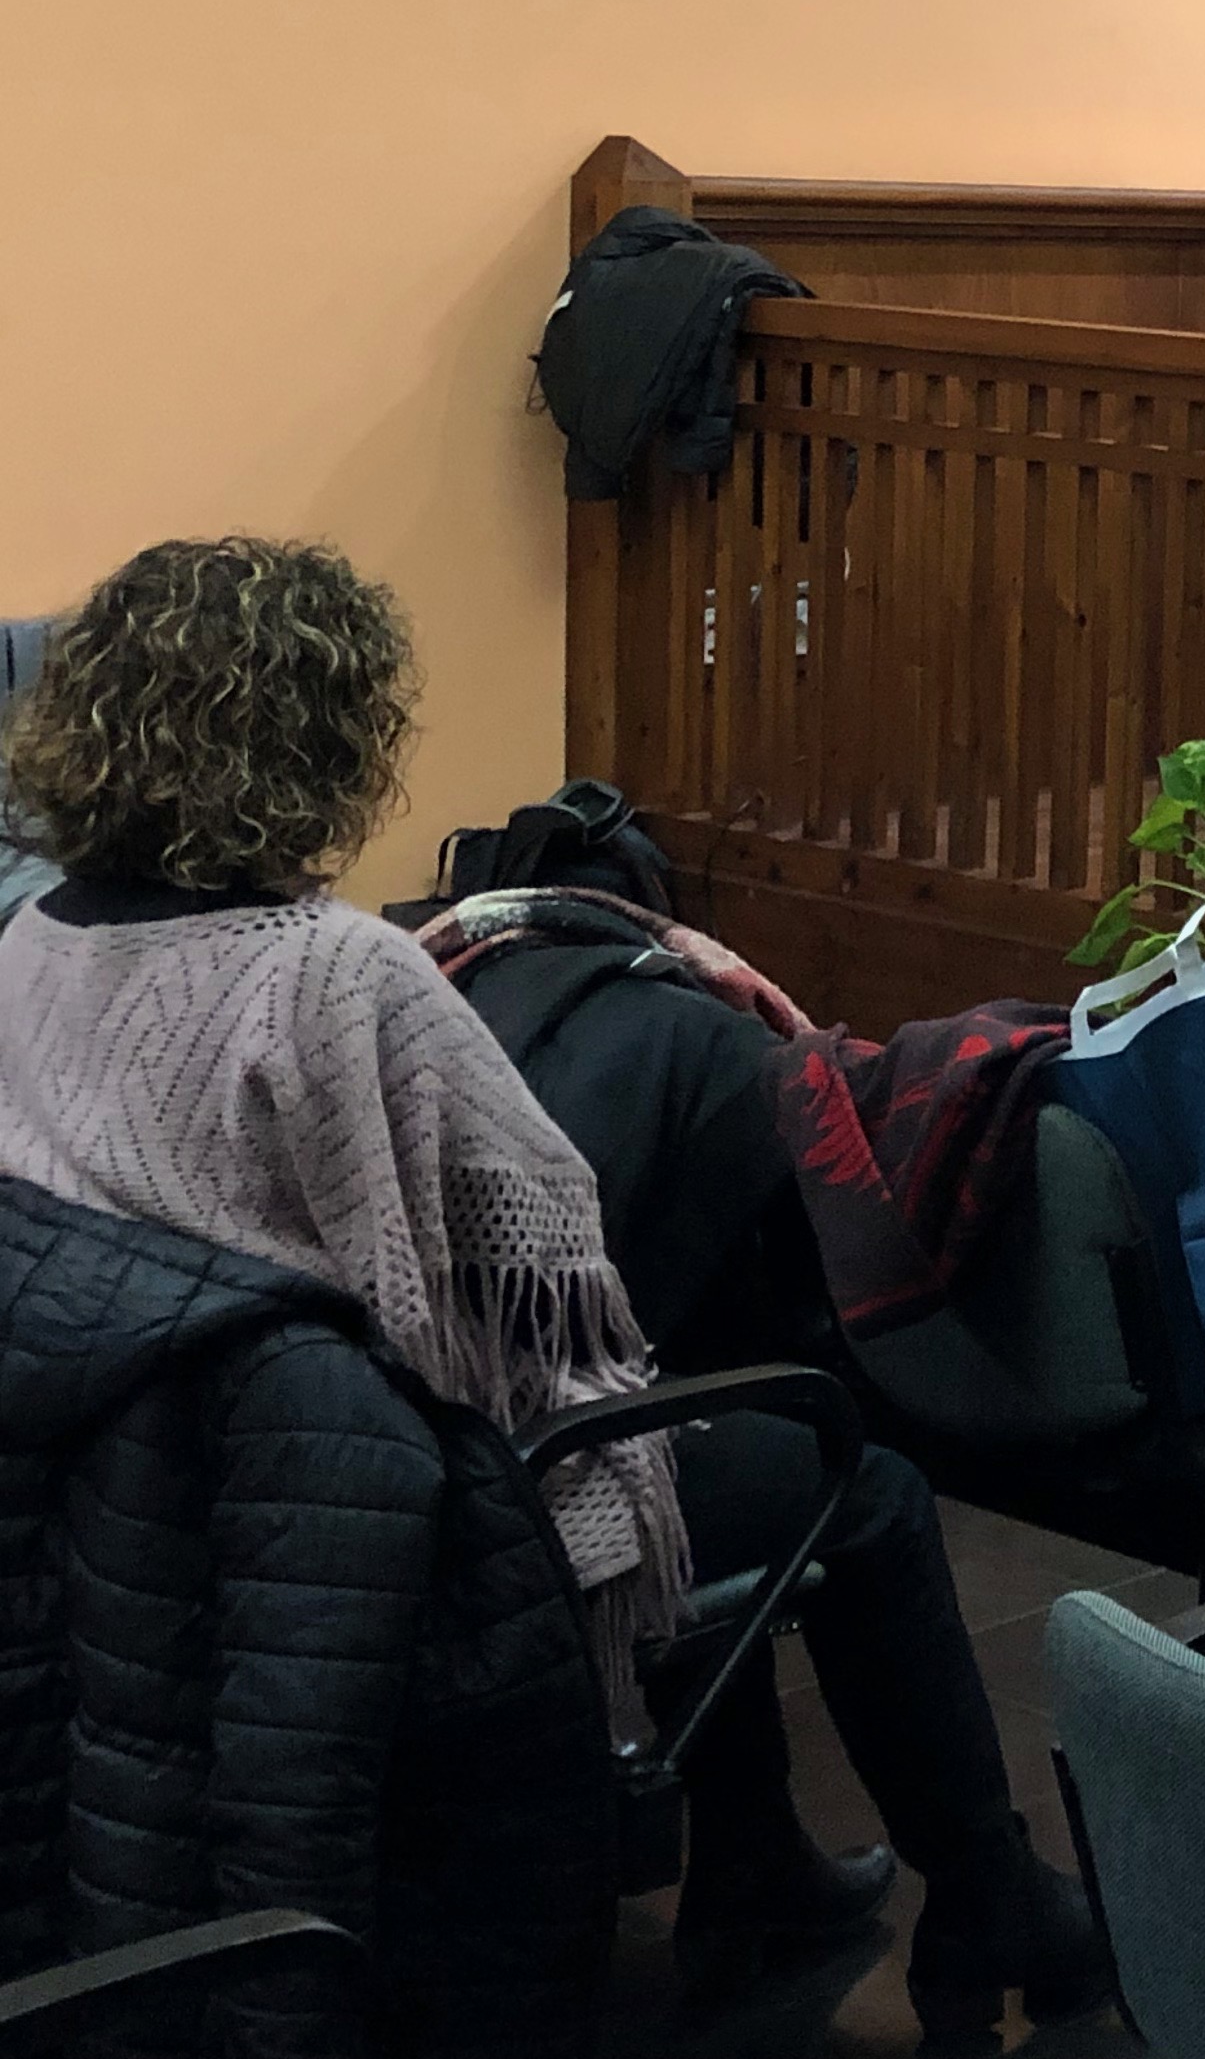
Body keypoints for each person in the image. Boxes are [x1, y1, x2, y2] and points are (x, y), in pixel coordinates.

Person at [0, 541, 1107, 2039]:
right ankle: (989, 1899)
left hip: (126, 1513)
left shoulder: (29, 944)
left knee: (678, 1423)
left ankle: (761, 1866)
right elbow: (531, 1298)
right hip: (384, 1536)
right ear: (320, 737)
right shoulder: (339, 976)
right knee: (845, 1479)